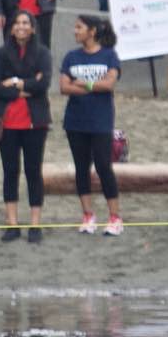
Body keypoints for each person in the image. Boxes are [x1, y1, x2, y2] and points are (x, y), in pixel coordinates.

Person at [0, 8, 55, 243]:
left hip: (35, 121)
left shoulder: (43, 53)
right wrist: (27, 86)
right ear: (11, 27)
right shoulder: (1, 53)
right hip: (7, 122)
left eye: (26, 23)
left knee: (33, 172)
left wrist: (14, 82)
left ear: (33, 27)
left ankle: (35, 224)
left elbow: (43, 84)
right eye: (17, 23)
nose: (21, 27)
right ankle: (12, 223)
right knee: (10, 171)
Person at [62, 14, 126, 236]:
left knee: (103, 166)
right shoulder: (71, 56)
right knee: (81, 168)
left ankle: (115, 217)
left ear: (92, 31)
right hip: (75, 121)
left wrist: (86, 83)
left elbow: (109, 84)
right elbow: (64, 87)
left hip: (101, 121)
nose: (74, 31)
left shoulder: (109, 55)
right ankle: (88, 215)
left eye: (79, 27)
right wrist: (92, 87)